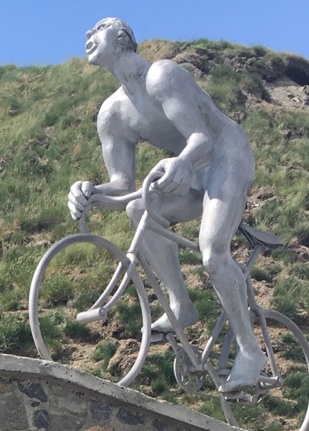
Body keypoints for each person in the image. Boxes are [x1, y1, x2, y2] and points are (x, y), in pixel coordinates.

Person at [69, 17, 266, 392]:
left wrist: (182, 162)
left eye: (98, 28)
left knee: (212, 253)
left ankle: (250, 351)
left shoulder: (161, 75)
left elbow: (202, 139)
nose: (88, 34)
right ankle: (180, 304)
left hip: (224, 154)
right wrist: (90, 193)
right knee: (138, 209)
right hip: (188, 170)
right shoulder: (112, 114)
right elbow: (122, 187)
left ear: (122, 37)